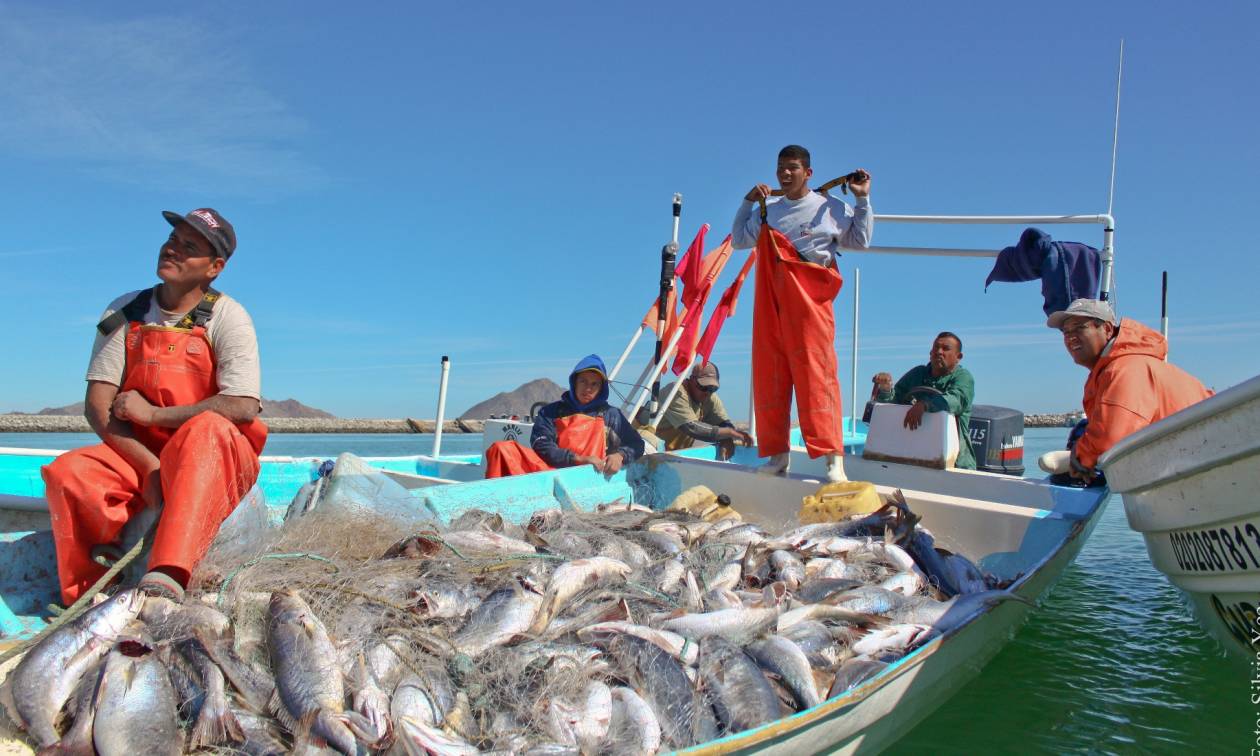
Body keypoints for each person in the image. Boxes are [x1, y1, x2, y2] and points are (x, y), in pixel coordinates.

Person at [41, 208, 267, 605]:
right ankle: (91, 590)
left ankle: (169, 572)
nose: (172, 249)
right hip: (142, 454)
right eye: (173, 240)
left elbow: (242, 405)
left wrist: (155, 416)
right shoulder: (124, 311)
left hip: (211, 457)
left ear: (214, 267)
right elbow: (98, 405)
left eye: (189, 247)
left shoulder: (229, 317)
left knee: (206, 429)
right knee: (69, 473)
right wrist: (149, 468)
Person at [731, 144, 873, 481]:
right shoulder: (769, 211)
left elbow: (860, 241)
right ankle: (778, 456)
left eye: (792, 167)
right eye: (781, 166)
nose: (785, 173)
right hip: (772, 301)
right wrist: (747, 202)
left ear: (808, 172)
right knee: (771, 374)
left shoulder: (830, 207)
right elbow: (739, 240)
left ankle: (833, 462)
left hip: (811, 302)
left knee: (817, 375)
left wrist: (862, 200)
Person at [1048, 298, 1213, 482]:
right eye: (1065, 331)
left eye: (1080, 327)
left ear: (1107, 329)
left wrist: (1079, 457)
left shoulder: (1125, 369)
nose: (1070, 336)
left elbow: (1110, 436)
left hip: (1200, 464)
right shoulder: (1122, 367)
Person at [484, 354, 645, 478]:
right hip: (552, 476)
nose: (588, 388)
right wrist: (579, 459)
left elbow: (637, 444)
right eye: (583, 381)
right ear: (574, 382)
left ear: (601, 388)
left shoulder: (612, 415)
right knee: (501, 449)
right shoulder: (550, 412)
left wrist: (620, 456)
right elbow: (542, 446)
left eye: (594, 384)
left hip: (592, 480)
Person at [872, 332, 977, 470]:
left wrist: (925, 405)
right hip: (914, 457)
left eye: (946, 348)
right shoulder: (917, 373)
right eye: (936, 347)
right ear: (930, 352)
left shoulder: (964, 378)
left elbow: (956, 399)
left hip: (956, 464)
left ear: (959, 357)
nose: (939, 352)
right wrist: (885, 389)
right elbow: (894, 399)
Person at [653, 362, 754, 459]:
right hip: (645, 448)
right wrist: (730, 433)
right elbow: (691, 427)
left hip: (667, 453)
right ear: (692, 380)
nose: (707, 392)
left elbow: (724, 423)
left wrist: (727, 439)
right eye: (703, 386)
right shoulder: (675, 392)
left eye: (712, 388)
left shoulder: (710, 396)